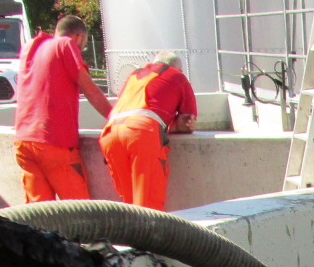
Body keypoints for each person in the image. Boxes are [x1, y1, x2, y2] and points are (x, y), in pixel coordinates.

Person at [12, 15, 112, 203]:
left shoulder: (30, 47)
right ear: (79, 38)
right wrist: (115, 118)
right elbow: (89, 89)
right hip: (54, 142)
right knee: (78, 212)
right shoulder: (65, 45)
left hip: (24, 140)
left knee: (39, 214)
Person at [99, 51, 198, 211]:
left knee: (129, 206)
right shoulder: (177, 76)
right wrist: (177, 126)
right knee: (149, 207)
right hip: (140, 134)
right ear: (177, 68)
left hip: (110, 135)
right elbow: (188, 121)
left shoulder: (133, 75)